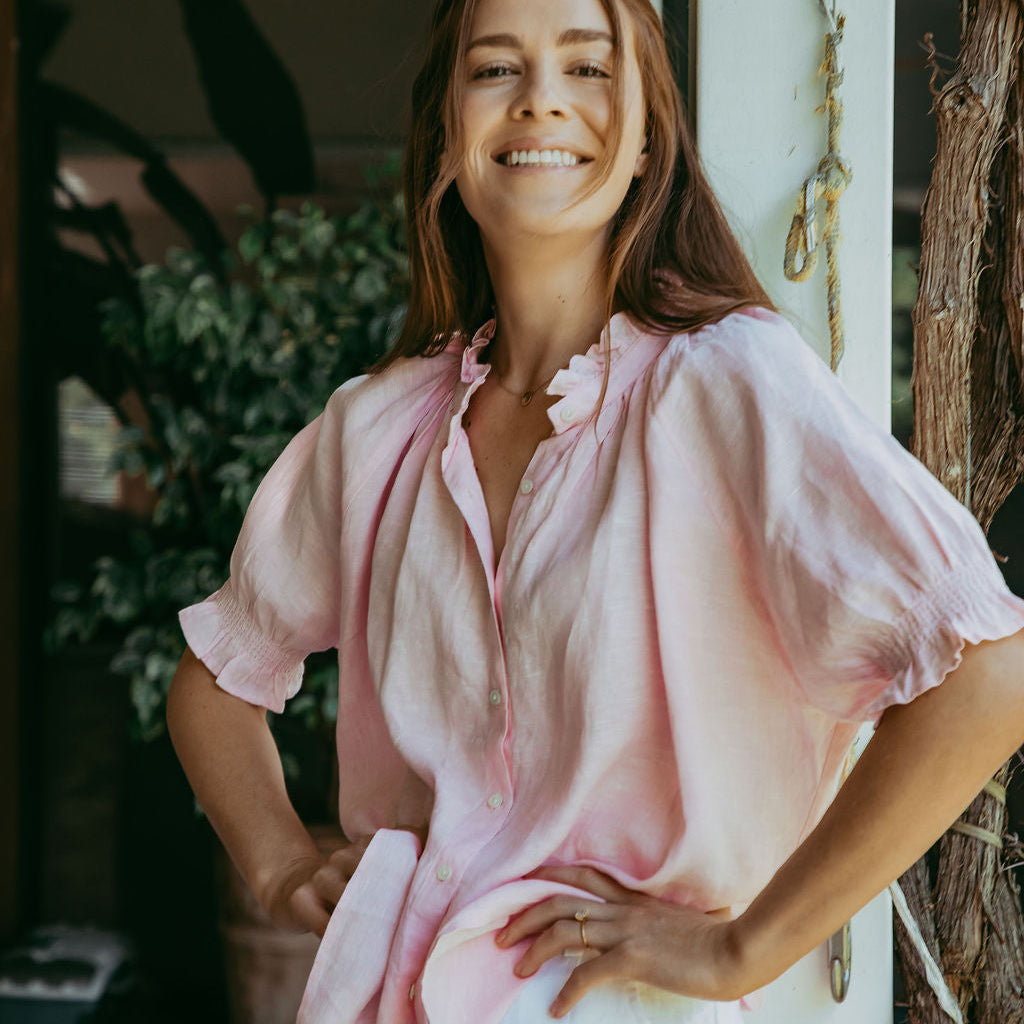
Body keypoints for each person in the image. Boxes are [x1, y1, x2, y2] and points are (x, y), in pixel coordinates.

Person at [166, 0, 1024, 1021]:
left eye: (588, 68)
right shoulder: (376, 428)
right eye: (495, 70)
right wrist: (276, 860)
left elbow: (983, 675)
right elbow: (215, 679)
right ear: (447, 128)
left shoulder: (728, 385)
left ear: (649, 132)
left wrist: (740, 949)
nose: (541, 100)